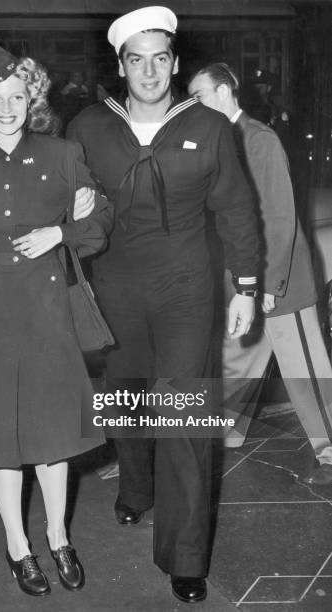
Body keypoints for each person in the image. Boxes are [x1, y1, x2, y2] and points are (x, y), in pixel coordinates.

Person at [67, 6, 259, 604]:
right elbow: (64, 205)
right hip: (115, 284)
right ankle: (136, 488)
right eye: (135, 59)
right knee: (125, 397)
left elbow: (235, 209)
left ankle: (185, 555)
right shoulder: (88, 127)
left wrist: (247, 287)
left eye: (159, 58)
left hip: (185, 287)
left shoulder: (209, 124)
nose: (148, 71)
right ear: (121, 66)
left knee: (181, 413)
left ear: (174, 62)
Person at [0, 47, 112, 596]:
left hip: (49, 305)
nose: (6, 107)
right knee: (1, 435)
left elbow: (100, 217)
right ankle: (18, 545)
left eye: (15, 96)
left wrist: (63, 234)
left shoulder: (63, 153)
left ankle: (58, 536)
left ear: (32, 98)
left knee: (52, 430)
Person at [188, 62, 332, 486]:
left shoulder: (259, 139)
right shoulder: (220, 142)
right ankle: (228, 433)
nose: (193, 106)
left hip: (277, 282)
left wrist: (268, 283)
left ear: (225, 90)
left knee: (304, 368)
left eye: (199, 96)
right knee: (237, 359)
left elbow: (279, 216)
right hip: (242, 282)